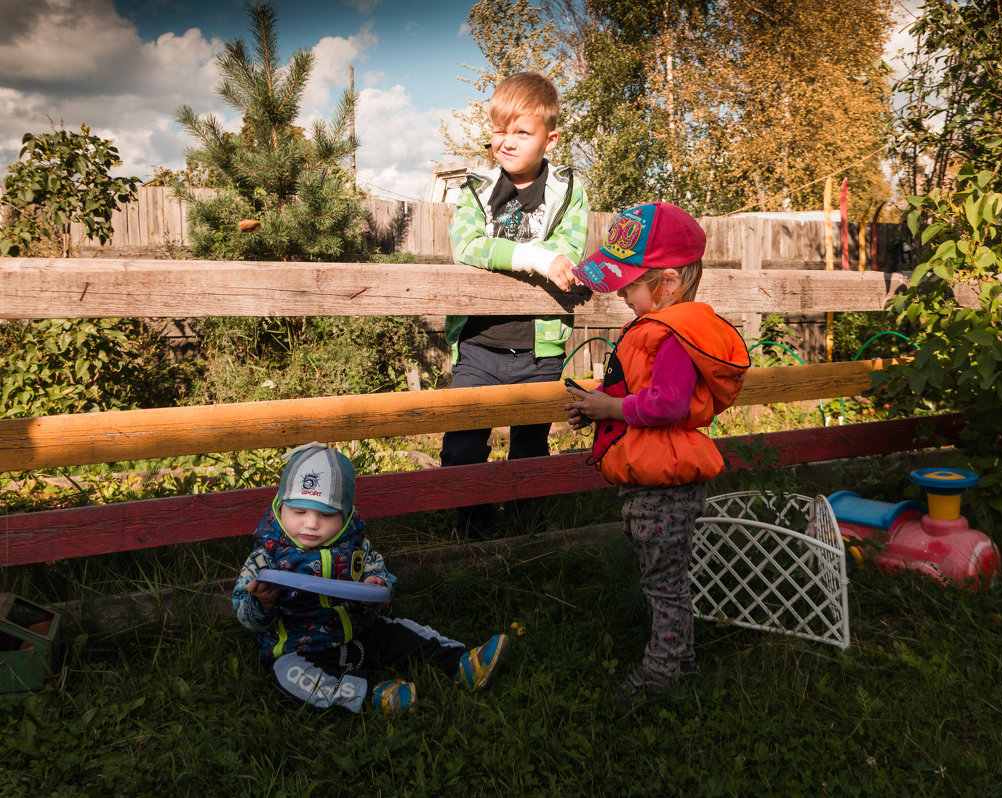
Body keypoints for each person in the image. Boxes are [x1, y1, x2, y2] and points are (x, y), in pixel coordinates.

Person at [565, 202, 751, 703]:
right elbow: (639, 397)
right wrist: (600, 409)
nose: (623, 294)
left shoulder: (673, 337)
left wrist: (615, 406)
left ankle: (661, 675)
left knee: (664, 585)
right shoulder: (659, 330)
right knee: (664, 578)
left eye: (630, 284)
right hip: (652, 480)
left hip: (664, 487)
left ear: (668, 283)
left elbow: (666, 403)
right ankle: (681, 659)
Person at [232, 442, 510, 717]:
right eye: (299, 511)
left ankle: (461, 664)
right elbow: (245, 614)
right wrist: (262, 603)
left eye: (326, 514)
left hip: (362, 635)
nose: (311, 523)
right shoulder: (266, 556)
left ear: (346, 515)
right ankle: (374, 697)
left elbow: (381, 577)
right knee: (288, 674)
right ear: (281, 508)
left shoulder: (356, 548)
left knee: (402, 632)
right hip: (303, 650)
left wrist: (375, 588)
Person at [442, 71, 590, 538]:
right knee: (463, 446)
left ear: (551, 138)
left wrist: (548, 260)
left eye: (521, 132)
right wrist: (534, 257)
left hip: (537, 348)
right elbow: (468, 247)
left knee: (530, 445)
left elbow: (568, 249)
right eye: (499, 130)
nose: (506, 142)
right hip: (480, 345)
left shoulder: (568, 192)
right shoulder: (475, 190)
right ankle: (472, 535)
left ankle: (527, 536)